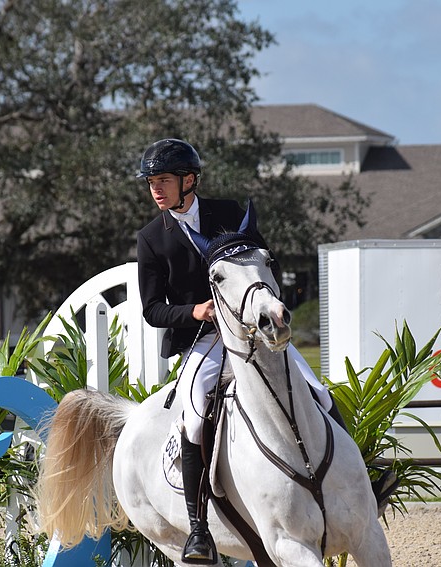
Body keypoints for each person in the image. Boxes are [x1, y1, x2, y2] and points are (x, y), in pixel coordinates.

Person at [136, 139, 398, 565]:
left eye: (163, 180)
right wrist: (195, 310)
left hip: (253, 328)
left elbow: (265, 264)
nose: (156, 189)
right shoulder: (152, 238)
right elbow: (152, 308)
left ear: (189, 180)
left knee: (317, 388)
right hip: (205, 339)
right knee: (195, 410)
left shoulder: (226, 213)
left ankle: (362, 478)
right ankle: (199, 526)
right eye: (151, 182)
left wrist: (265, 306)